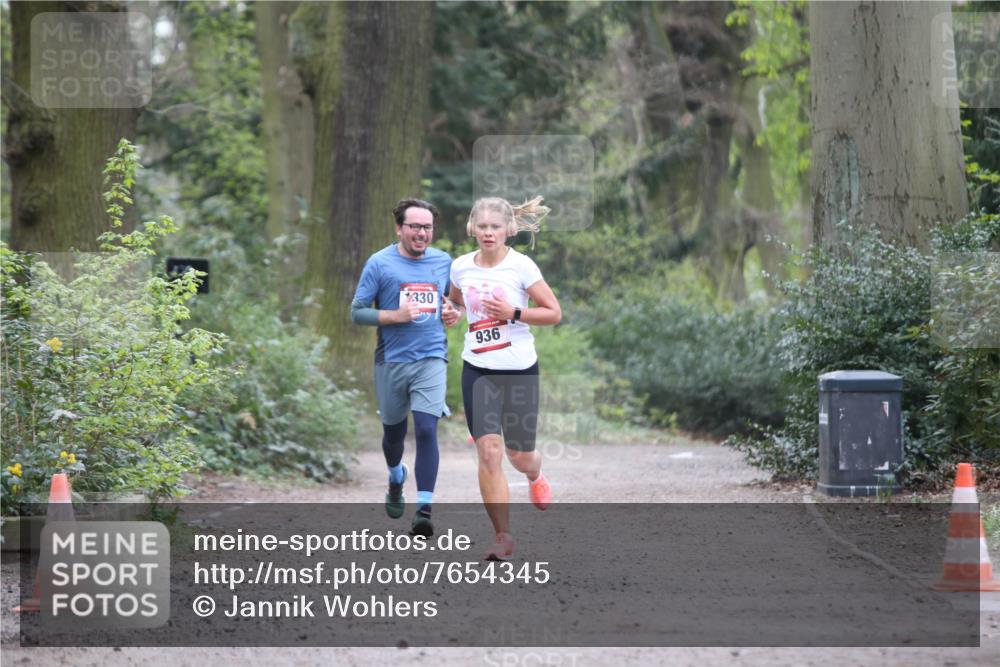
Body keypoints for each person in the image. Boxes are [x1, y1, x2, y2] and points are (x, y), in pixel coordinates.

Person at [447, 195, 562, 560]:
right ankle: (502, 535)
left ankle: (535, 475)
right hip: (478, 369)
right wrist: (451, 313)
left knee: (519, 455)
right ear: (471, 228)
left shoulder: (522, 267)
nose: (488, 233)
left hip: (519, 371)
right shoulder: (460, 266)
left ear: (509, 230)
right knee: (489, 450)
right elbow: (457, 304)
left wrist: (513, 311)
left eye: (495, 227)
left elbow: (553, 312)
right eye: (481, 226)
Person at [351, 198, 460, 537]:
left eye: (427, 227)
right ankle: (396, 474)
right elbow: (357, 312)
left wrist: (454, 312)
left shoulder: (444, 262)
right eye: (414, 226)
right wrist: (393, 316)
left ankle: (424, 510)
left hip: (431, 358)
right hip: (391, 361)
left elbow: (454, 302)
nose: (421, 233)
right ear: (399, 228)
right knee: (393, 435)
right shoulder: (379, 264)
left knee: (427, 429)